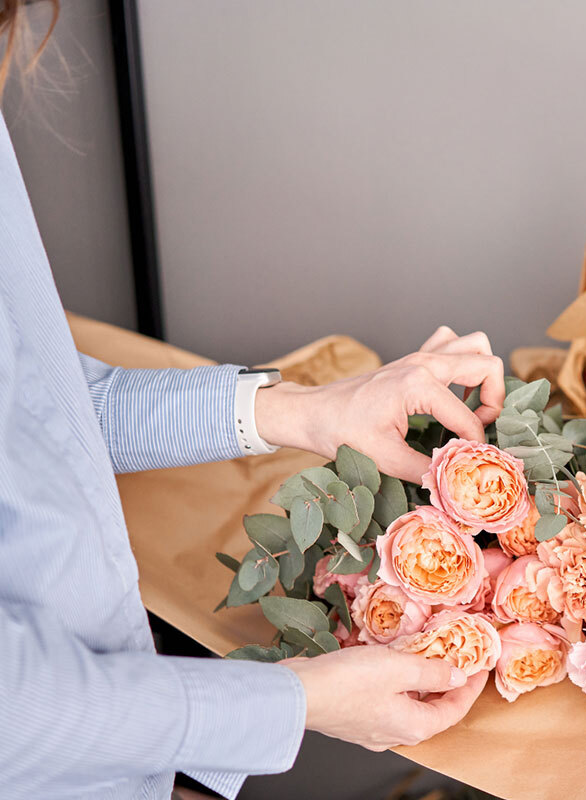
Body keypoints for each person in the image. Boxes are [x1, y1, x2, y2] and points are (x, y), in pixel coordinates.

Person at [0, 3, 497, 797]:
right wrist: (296, 702)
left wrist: (311, 411)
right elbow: (17, 710)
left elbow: (33, 408)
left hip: (123, 742)